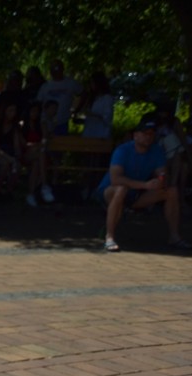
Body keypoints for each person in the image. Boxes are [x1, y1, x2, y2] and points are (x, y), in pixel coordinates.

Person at [97, 118, 188, 252]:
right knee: (121, 189)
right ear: (136, 135)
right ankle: (109, 237)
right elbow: (115, 179)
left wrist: (161, 180)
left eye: (151, 134)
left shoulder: (157, 151)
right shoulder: (122, 150)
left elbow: (162, 174)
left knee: (171, 191)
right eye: (145, 133)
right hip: (110, 191)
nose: (148, 137)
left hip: (137, 194)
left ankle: (174, 236)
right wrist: (145, 185)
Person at [37, 60, 82, 135]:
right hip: (47, 123)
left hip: (63, 122)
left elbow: (83, 93)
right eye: (52, 69)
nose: (55, 71)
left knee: (61, 141)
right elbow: (39, 102)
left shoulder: (71, 83)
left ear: (62, 69)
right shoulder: (45, 86)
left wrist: (76, 110)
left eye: (57, 68)